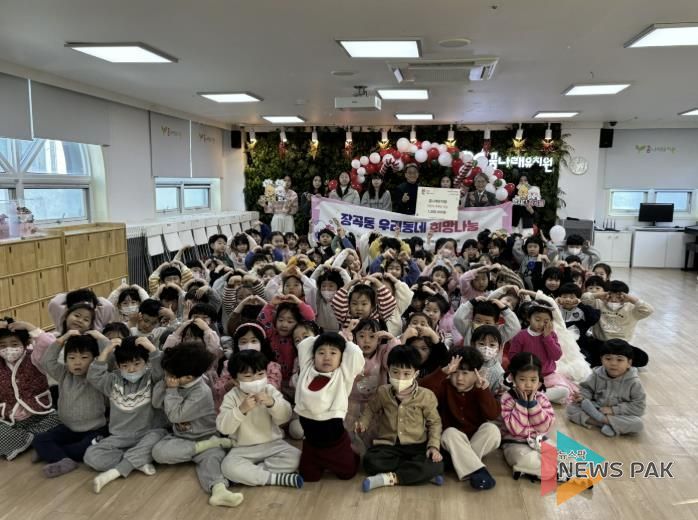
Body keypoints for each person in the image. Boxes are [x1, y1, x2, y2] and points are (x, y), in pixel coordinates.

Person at [150, 343, 243, 507]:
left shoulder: (201, 392)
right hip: (181, 438)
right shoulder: (172, 381)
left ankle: (219, 490)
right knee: (158, 453)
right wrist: (165, 385)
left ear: (188, 378)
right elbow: (156, 403)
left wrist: (171, 390)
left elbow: (175, 416)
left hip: (206, 436)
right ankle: (203, 448)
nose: (166, 377)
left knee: (213, 460)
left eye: (170, 374)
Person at [84, 336, 167, 494]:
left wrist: (152, 350)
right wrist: (106, 351)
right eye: (125, 365)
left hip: (148, 434)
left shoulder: (151, 378)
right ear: (118, 365)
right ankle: (138, 461)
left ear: (146, 362)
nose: (131, 369)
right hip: (120, 437)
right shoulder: (112, 380)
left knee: (159, 438)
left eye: (137, 364)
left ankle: (122, 468)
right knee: (91, 456)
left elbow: (162, 372)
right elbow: (94, 376)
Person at [356, 345, 444, 492]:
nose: (400, 378)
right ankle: (418, 474)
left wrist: (433, 446)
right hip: (389, 446)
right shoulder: (383, 392)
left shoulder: (426, 395)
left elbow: (434, 423)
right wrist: (363, 423)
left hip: (416, 445)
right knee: (370, 461)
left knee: (437, 464)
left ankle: (389, 478)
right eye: (395, 372)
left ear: (416, 374)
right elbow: (370, 409)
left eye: (406, 373)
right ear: (388, 370)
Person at [218, 350, 303, 488]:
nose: (256, 380)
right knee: (228, 467)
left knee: (298, 457)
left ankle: (252, 475)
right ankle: (276, 478)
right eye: (248, 376)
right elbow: (223, 427)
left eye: (260, 374)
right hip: (242, 448)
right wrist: (241, 410)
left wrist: (272, 403)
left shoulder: (270, 391)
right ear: (236, 381)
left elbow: (285, 416)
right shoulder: (231, 397)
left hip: (273, 444)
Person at [421, 348, 501, 490]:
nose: (459, 378)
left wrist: (483, 391)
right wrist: (443, 372)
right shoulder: (444, 386)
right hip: (450, 441)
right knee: (450, 432)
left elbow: (493, 414)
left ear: (477, 373)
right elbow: (421, 390)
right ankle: (478, 471)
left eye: (465, 373)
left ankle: (458, 462)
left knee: (492, 430)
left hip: (474, 439)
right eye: (455, 373)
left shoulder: (480, 389)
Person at [32, 331, 109, 477]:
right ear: (66, 359)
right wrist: (62, 339)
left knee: (83, 449)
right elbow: (47, 361)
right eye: (72, 358)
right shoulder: (64, 373)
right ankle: (61, 458)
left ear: (95, 359)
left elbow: (110, 357)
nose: (77, 362)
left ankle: (53, 453)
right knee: (40, 439)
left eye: (84, 357)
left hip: (94, 429)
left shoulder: (97, 375)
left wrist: (101, 338)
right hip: (68, 428)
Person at [294, 332, 365, 481]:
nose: (327, 357)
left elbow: (355, 353)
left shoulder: (343, 374)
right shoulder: (306, 368)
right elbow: (305, 344)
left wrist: (343, 338)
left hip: (335, 445)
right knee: (309, 477)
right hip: (311, 444)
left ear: (342, 358)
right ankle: (319, 462)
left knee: (348, 474)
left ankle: (350, 453)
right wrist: (324, 337)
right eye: (321, 353)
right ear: (313, 356)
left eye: (333, 353)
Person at [0, 320, 59, 461]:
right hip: (9, 418)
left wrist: (29, 327)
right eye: (2, 345)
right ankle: (31, 439)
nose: (9, 349)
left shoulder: (35, 357)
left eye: (14, 344)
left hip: (40, 415)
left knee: (61, 420)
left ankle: (24, 439)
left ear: (25, 343)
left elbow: (50, 345)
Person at [567, 339, 645, 437]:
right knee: (571, 409)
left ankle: (602, 421)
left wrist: (613, 410)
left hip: (620, 414)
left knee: (637, 423)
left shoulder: (634, 382)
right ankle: (608, 424)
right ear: (601, 360)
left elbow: (639, 407)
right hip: (597, 408)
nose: (613, 363)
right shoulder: (596, 374)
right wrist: (582, 396)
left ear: (629, 363)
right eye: (608, 359)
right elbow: (587, 389)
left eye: (619, 360)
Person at [499, 352, 556, 481]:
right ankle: (549, 471)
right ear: (513, 378)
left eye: (533, 380)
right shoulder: (507, 398)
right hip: (514, 443)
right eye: (523, 379)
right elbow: (516, 430)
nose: (528, 385)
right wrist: (522, 404)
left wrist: (533, 405)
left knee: (564, 456)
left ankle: (539, 470)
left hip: (539, 440)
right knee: (524, 459)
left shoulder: (542, 398)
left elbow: (544, 427)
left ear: (539, 380)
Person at [508, 302, 577, 404]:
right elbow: (513, 356)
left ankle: (532, 397)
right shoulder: (521, 336)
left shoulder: (551, 335)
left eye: (546, 321)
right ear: (529, 318)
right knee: (508, 387)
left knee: (564, 392)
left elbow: (556, 356)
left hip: (547, 376)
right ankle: (535, 397)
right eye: (537, 320)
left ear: (550, 322)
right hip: (526, 376)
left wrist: (547, 337)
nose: (541, 324)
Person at [581, 280, 653, 367]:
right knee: (586, 355)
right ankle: (607, 361)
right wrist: (599, 295)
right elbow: (584, 299)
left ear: (626, 296)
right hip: (600, 342)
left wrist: (632, 300)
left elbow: (649, 310)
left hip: (620, 345)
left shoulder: (632, 308)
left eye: (619, 297)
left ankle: (608, 360)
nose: (614, 300)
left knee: (642, 358)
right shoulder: (598, 303)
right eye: (610, 296)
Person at [48, 289, 117, 333]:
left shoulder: (96, 320)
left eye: (86, 319)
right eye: (77, 315)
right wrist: (76, 295)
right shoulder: (62, 318)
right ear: (67, 314)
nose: (80, 321)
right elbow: (55, 302)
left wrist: (92, 298)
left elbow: (107, 305)